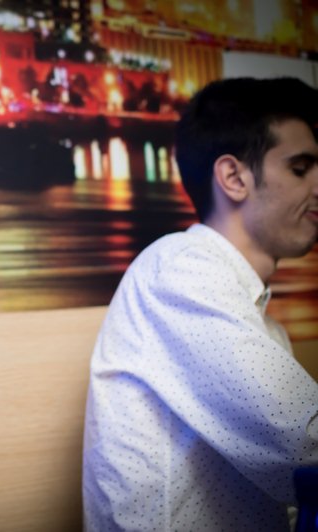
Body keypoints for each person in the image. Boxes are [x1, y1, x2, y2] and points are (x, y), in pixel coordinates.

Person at [82, 77, 318, 530]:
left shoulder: (261, 322)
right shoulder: (180, 268)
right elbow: (305, 446)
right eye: (300, 168)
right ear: (233, 177)